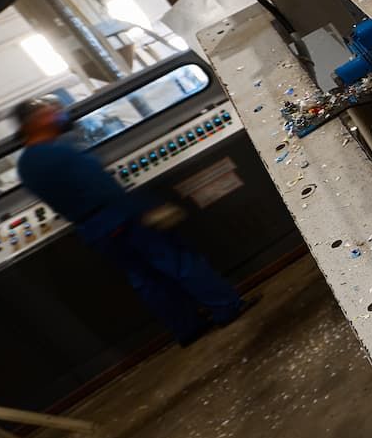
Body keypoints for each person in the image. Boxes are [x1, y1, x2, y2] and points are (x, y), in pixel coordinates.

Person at [13, 96, 252, 346]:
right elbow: (102, 187)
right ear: (37, 121)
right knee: (180, 262)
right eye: (51, 111)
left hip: (94, 231)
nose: (59, 113)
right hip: (123, 217)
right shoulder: (59, 153)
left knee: (147, 280)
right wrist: (148, 209)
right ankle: (227, 308)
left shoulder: (25, 166)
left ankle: (188, 329)